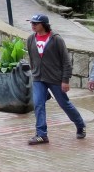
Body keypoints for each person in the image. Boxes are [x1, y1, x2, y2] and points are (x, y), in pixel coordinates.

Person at [25, 13, 86, 144]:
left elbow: (66, 61)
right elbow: (31, 58)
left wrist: (65, 80)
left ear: (44, 25)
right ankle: (42, 134)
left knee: (64, 104)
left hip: (55, 78)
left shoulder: (56, 39)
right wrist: (34, 72)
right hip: (38, 78)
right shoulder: (30, 39)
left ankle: (80, 125)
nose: (32, 25)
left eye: (35, 23)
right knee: (38, 104)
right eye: (31, 23)